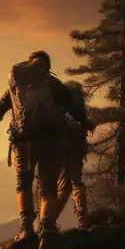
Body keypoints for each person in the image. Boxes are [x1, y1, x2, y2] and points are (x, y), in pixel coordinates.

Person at [0, 51, 84, 249]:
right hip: (52, 139)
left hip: (24, 142)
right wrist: (84, 121)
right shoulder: (53, 84)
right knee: (47, 188)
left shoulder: (15, 84)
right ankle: (47, 229)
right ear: (46, 66)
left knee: (23, 184)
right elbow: (72, 106)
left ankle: (26, 229)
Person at [55, 80, 90, 229]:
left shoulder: (60, 108)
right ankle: (82, 218)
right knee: (76, 183)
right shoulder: (78, 111)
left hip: (62, 150)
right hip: (77, 147)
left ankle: (49, 221)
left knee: (63, 187)